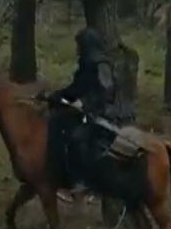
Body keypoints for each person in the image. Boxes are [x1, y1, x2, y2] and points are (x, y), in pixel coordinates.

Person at [39, 28, 116, 198]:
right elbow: (77, 88)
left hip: (100, 113)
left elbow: (106, 92)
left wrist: (86, 103)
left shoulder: (100, 64)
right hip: (85, 110)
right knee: (55, 123)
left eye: (79, 45)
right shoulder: (86, 64)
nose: (77, 49)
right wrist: (56, 96)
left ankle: (82, 182)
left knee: (77, 137)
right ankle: (58, 175)